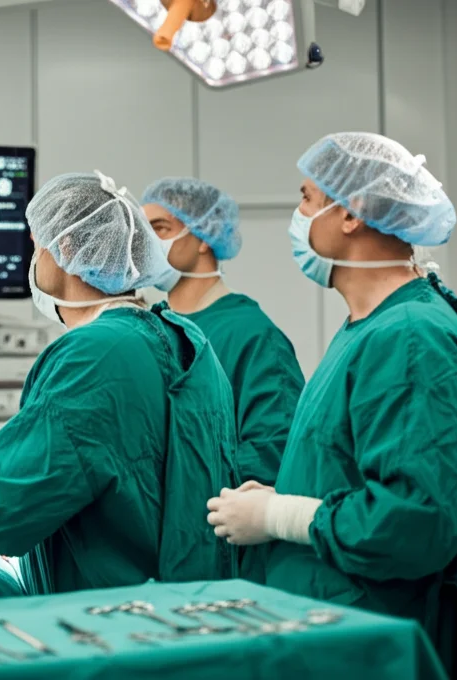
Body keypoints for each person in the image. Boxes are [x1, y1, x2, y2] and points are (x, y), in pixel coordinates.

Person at [205, 133, 457, 680]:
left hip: (380, 644)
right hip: (336, 631)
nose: (298, 217)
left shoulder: (411, 337)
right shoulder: (367, 330)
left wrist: (277, 516)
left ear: (351, 213)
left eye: (306, 198)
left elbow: (418, 520)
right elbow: (349, 467)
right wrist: (284, 493)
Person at [0, 170, 239, 595]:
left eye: (35, 247)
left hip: (113, 619)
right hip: (195, 605)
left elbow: (10, 497)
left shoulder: (94, 354)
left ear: (62, 248)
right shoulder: (186, 340)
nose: (34, 262)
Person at [143, 178, 305, 584]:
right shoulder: (148, 329)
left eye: (160, 228)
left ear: (203, 236)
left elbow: (274, 450)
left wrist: (175, 478)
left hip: (221, 553)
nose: (147, 242)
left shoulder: (252, 334)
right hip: (153, 548)